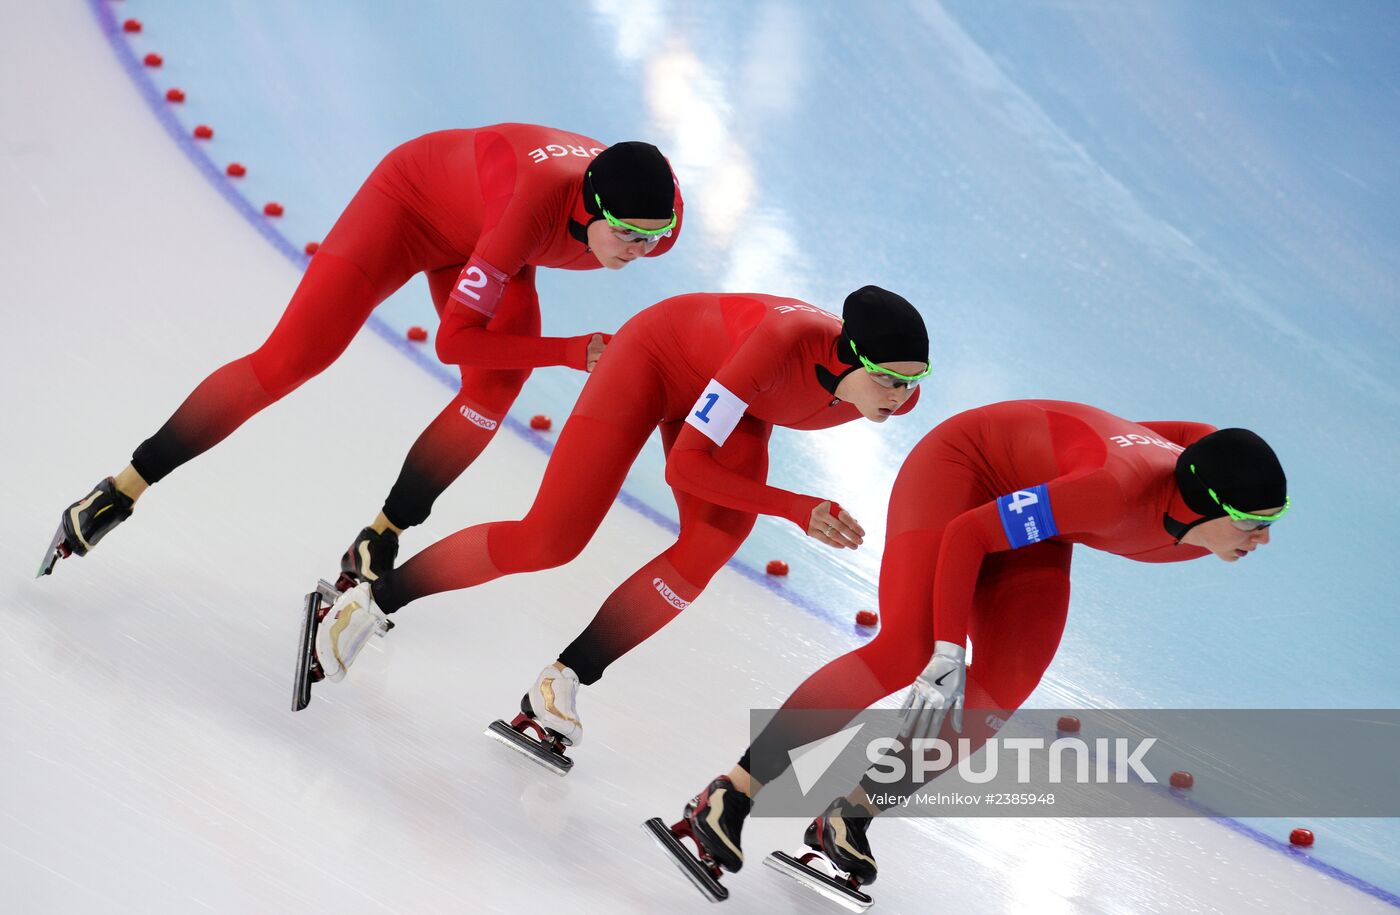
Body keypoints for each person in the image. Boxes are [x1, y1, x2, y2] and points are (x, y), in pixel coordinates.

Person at [653, 400, 1288, 903]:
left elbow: (1168, 432)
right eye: (1254, 524)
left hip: (1041, 507)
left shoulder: (1190, 469)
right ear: (1209, 503)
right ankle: (728, 795)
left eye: (1270, 524)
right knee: (906, 651)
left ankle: (846, 816)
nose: (1262, 541)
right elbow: (969, 531)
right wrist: (946, 647)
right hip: (962, 473)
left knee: (1001, 690)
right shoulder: (1114, 493)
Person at [38, 124, 683, 580]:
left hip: (483, 236)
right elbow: (455, 340)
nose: (637, 250)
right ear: (588, 206)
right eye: (626, 234)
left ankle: (382, 536)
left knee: (495, 389)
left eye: (651, 239)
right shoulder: (532, 210)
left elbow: (646, 229)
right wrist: (572, 351)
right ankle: (122, 488)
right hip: (410, 205)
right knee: (291, 360)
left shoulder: (660, 217)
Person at [305, 287, 931, 746]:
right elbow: (685, 467)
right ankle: (369, 603)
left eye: (914, 383)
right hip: (654, 362)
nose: (901, 399)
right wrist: (795, 508)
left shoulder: (890, 392)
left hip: (738, 405)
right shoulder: (777, 346)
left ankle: (562, 680)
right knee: (550, 540)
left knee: (714, 540)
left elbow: (739, 424)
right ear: (850, 359)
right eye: (888, 383)